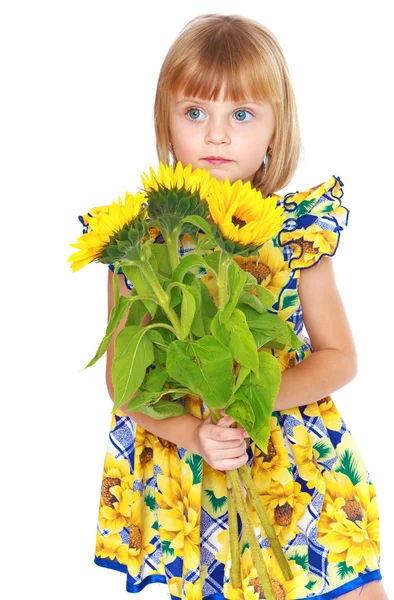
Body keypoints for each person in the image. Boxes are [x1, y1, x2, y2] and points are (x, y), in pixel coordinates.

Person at [80, 13, 387, 600]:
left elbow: (340, 356)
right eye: (195, 113)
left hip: (296, 468)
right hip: (201, 486)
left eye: (241, 115)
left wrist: (253, 398)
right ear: (167, 125)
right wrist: (194, 431)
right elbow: (126, 387)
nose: (216, 135)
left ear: (276, 130)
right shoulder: (140, 248)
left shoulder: (293, 234)